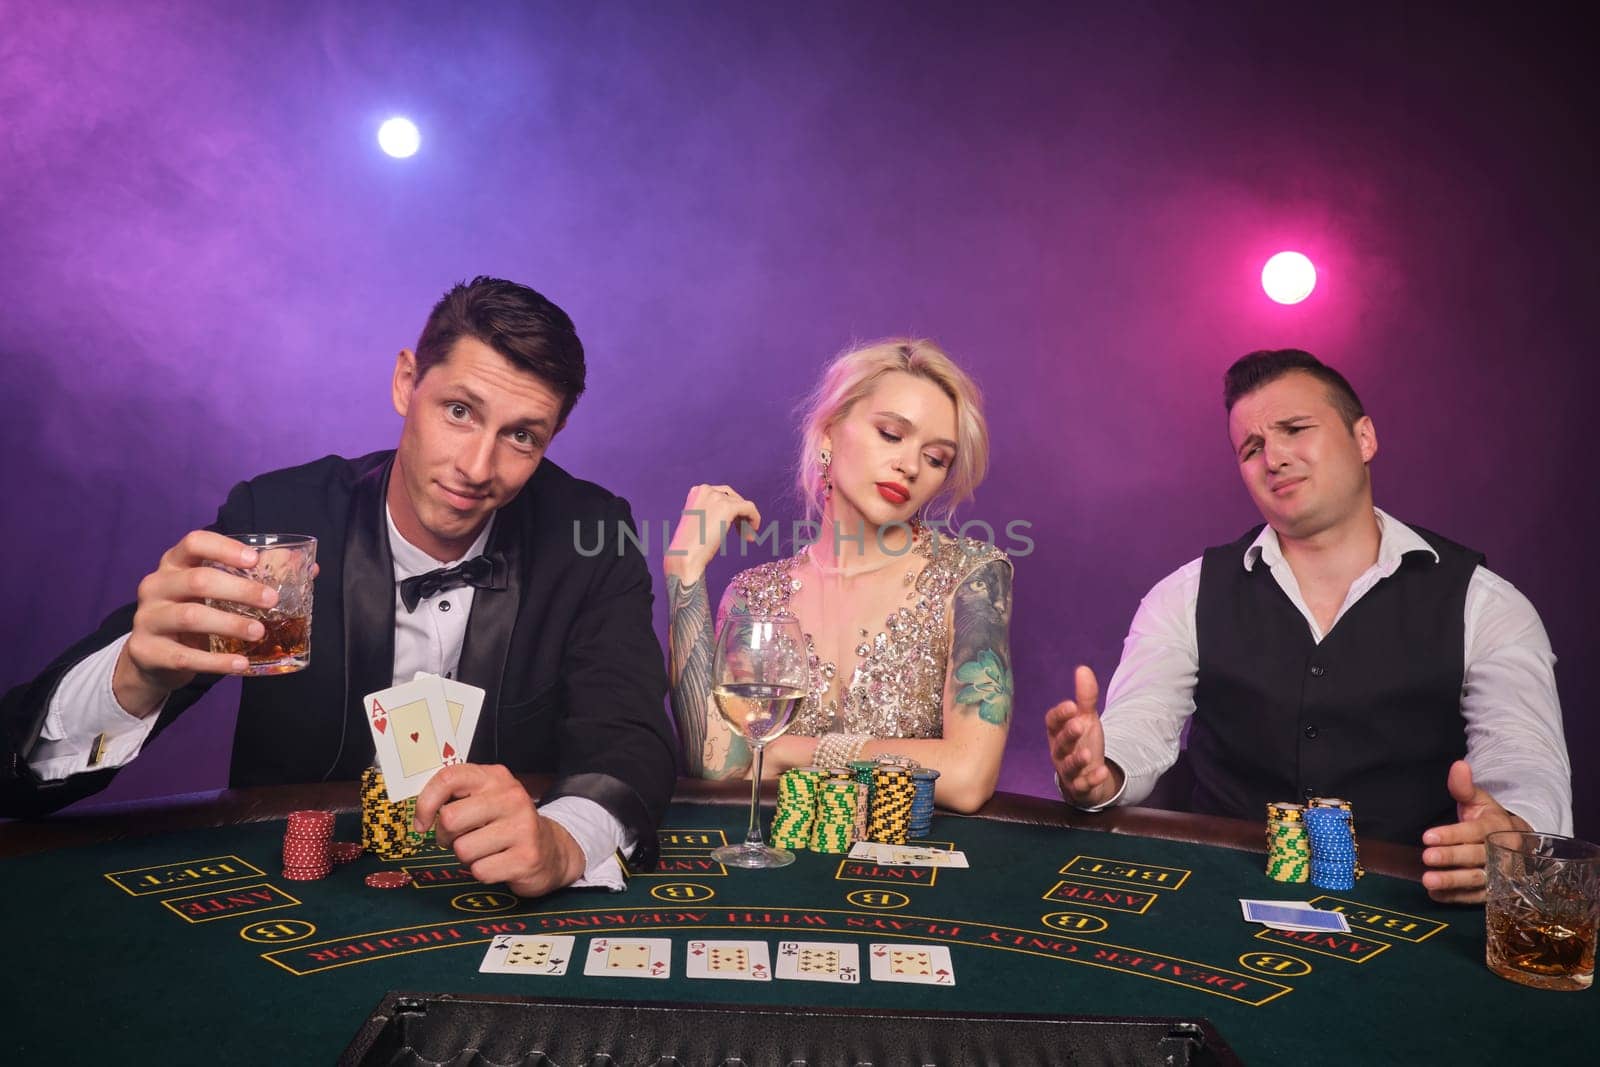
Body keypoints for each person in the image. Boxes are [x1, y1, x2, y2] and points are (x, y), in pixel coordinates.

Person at [0, 277, 678, 897]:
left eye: (521, 436)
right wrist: (133, 676)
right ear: (405, 382)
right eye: (460, 410)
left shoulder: (592, 535)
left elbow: (630, 736)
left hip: (493, 908)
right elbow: (16, 781)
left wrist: (563, 841)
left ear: (552, 438)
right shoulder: (280, 522)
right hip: (294, 898)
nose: (477, 466)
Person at [1047, 349, 1571, 904]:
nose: (1273, 457)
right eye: (1251, 449)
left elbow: (1524, 756)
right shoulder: (1184, 593)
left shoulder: (1488, 604)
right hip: (1214, 896)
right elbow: (1140, 726)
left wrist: (1512, 826)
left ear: (1364, 438)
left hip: (1413, 905)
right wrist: (1102, 773)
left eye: (1295, 429)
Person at [664, 340, 1013, 813]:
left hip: (907, 873)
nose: (910, 466)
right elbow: (718, 768)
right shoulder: (755, 595)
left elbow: (968, 778)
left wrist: (786, 753)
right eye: (891, 434)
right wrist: (684, 572)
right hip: (774, 861)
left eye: (935, 458)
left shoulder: (971, 576)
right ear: (828, 433)